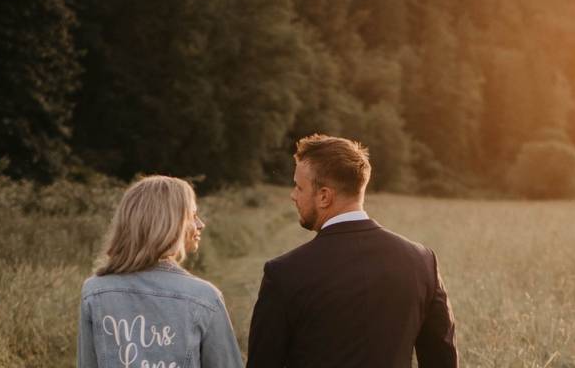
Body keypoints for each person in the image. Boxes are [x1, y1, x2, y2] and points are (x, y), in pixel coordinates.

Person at [247, 134, 458, 368]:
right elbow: (442, 361)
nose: (293, 195)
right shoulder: (422, 262)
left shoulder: (284, 273)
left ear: (324, 196)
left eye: (299, 187)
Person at [77, 175, 243, 368]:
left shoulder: (95, 291)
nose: (200, 224)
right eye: (192, 215)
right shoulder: (205, 298)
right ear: (169, 223)